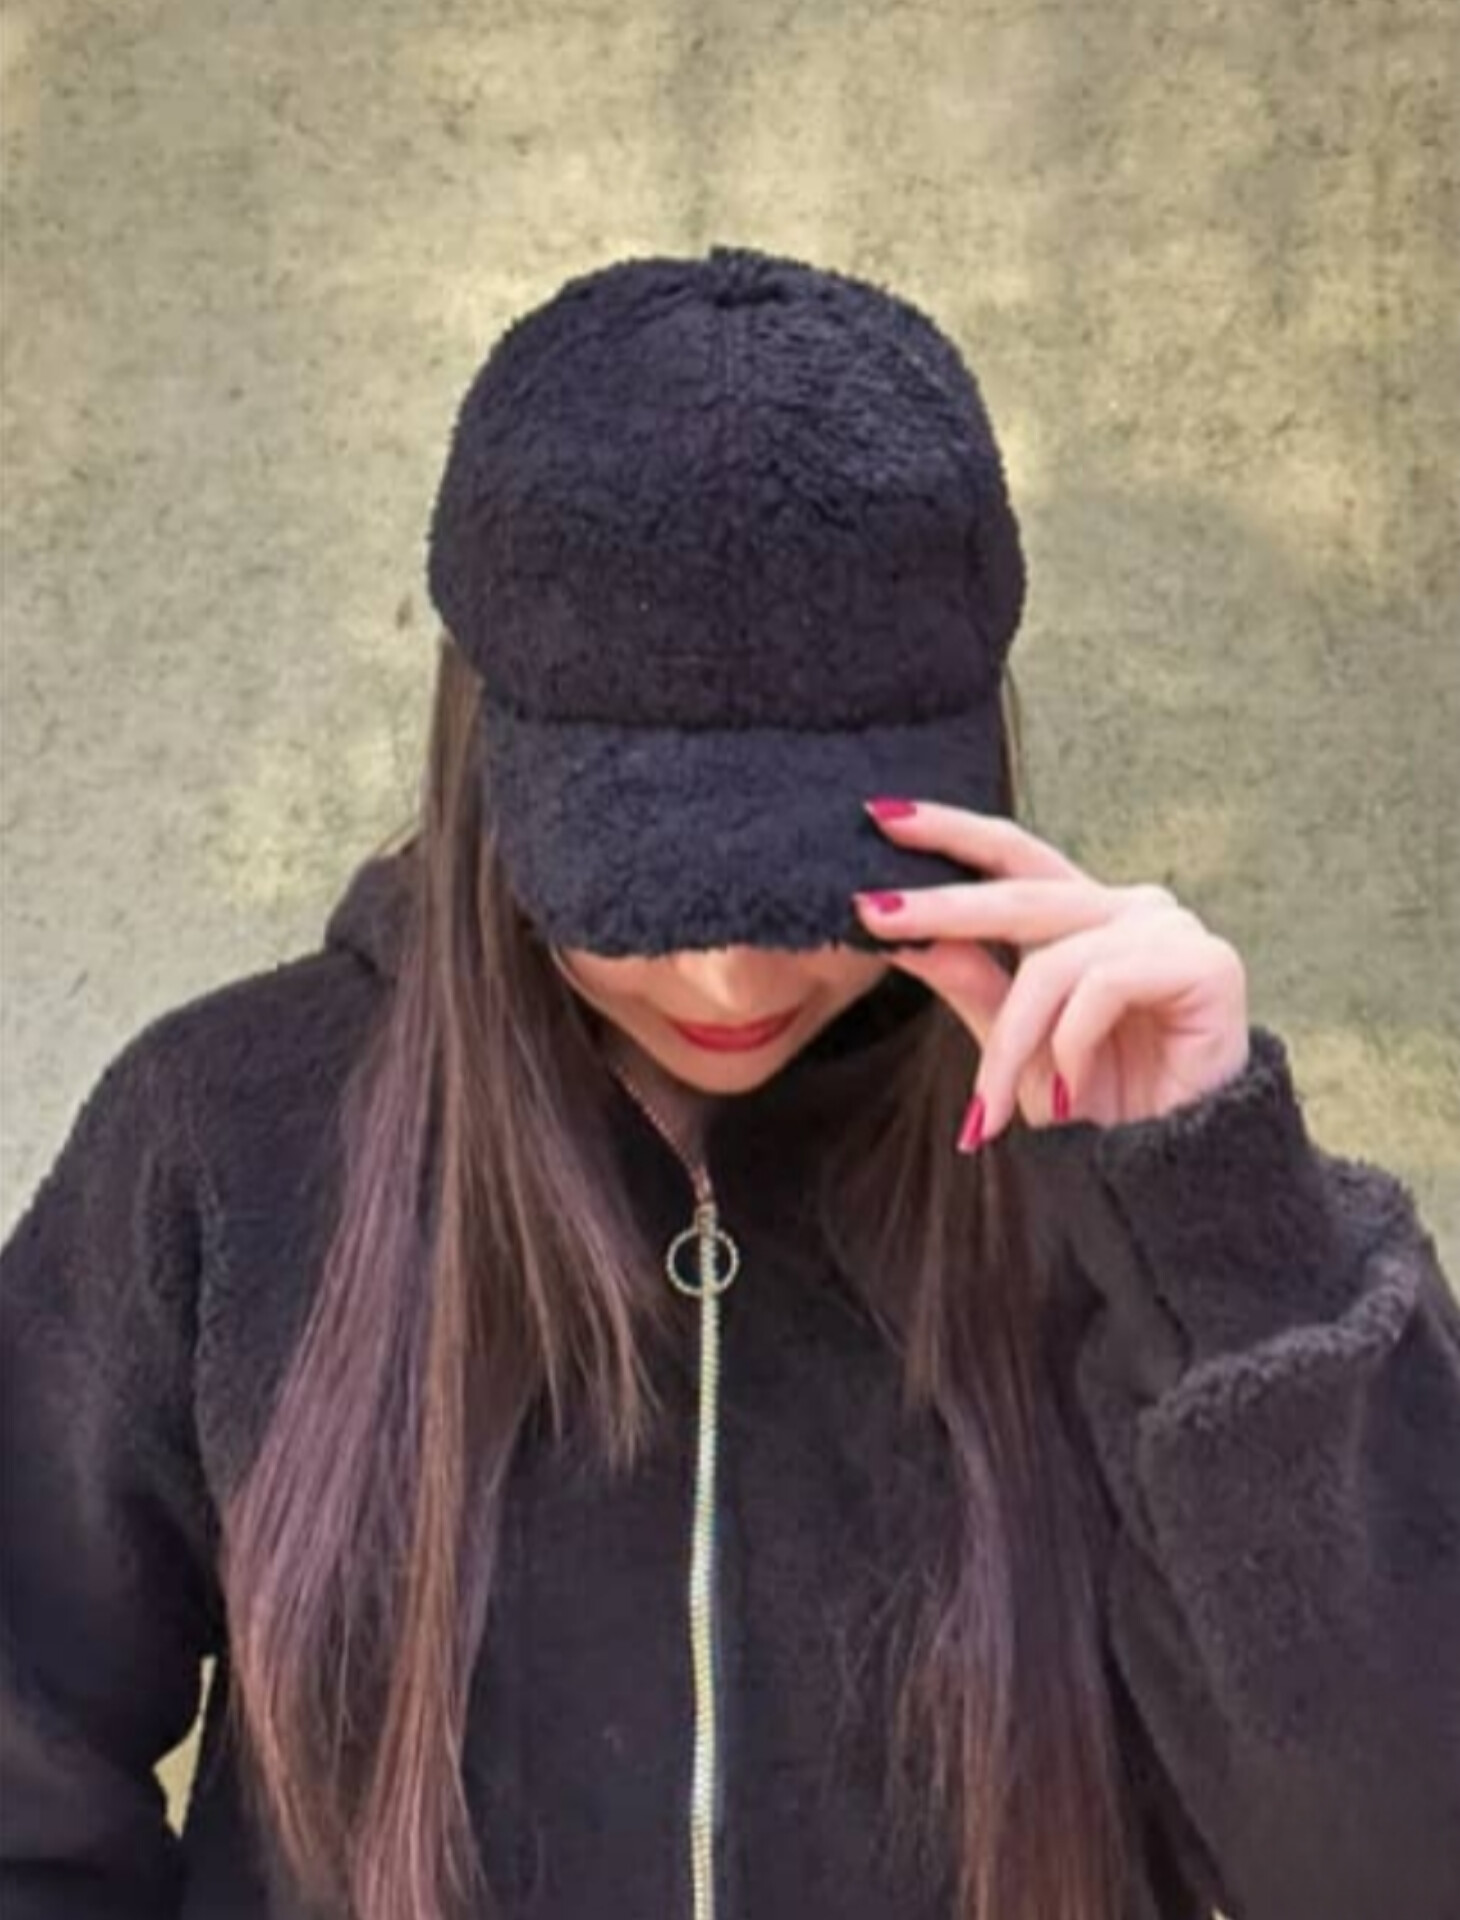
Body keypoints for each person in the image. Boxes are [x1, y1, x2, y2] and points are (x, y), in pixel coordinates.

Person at [1, 244, 1457, 1920]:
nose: (733, 983)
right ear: (492, 763)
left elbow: (1402, 1868)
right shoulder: (221, 1141)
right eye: (646, 894)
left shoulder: (1126, 1188)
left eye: (813, 893)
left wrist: (1222, 1238)